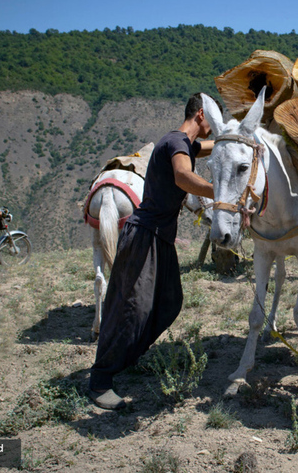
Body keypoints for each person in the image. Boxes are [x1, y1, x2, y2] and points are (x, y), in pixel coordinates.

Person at [88, 93, 217, 410]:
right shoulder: (176, 143)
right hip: (145, 235)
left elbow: (213, 146)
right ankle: (100, 380)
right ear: (201, 114)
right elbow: (183, 176)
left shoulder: (185, 145)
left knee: (170, 302)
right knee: (131, 309)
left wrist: (239, 138)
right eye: (214, 116)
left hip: (160, 238)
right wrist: (223, 190)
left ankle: (126, 355)